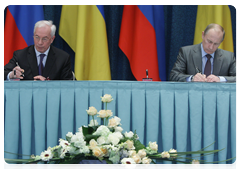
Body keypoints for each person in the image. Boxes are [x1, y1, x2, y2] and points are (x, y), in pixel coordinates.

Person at [4, 20, 74, 81]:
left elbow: (68, 83)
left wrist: (49, 85)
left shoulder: (62, 58)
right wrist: (11, 75)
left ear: (52, 39)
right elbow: (3, 73)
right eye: (37, 37)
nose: (40, 42)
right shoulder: (20, 55)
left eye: (44, 39)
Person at [169, 23, 238, 82]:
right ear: (203, 35)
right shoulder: (186, 52)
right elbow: (173, 76)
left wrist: (221, 79)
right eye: (209, 41)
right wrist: (192, 78)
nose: (211, 47)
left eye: (216, 44)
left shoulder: (228, 57)